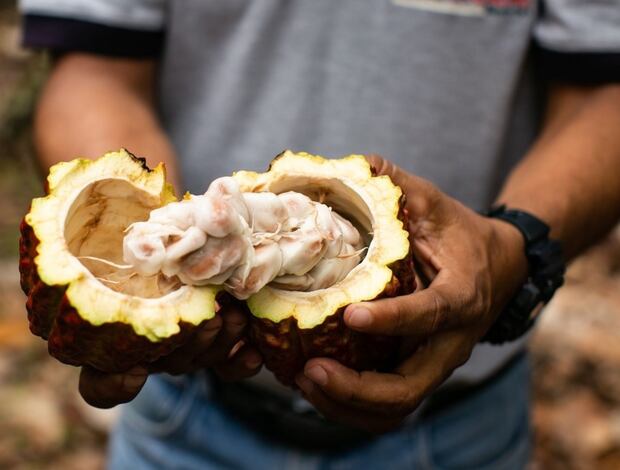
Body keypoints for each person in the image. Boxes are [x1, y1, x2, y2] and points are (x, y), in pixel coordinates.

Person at [19, 0, 620, 468]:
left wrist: (513, 243)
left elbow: (604, 92)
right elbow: (96, 67)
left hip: (462, 426)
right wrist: (159, 258)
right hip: (185, 416)